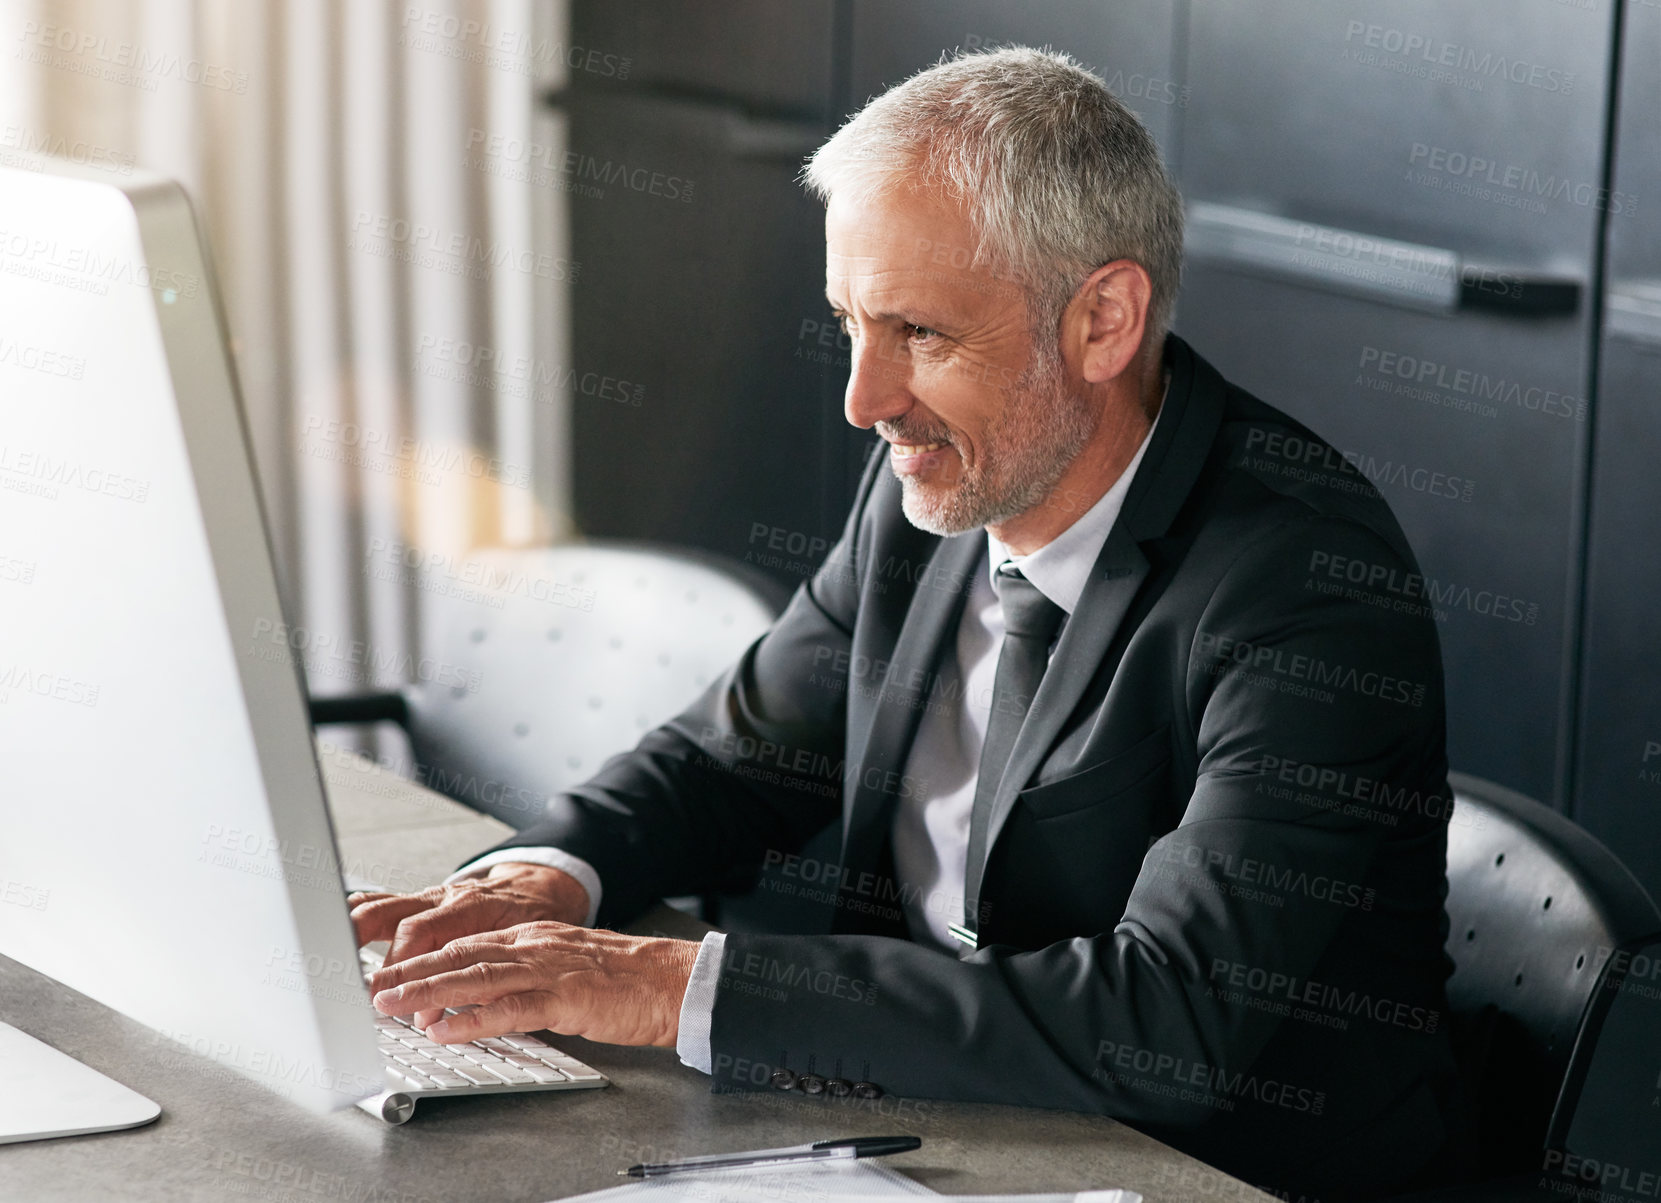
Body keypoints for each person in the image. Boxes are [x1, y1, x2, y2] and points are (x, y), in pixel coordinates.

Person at [351, 47, 1464, 1200]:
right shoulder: (934, 477)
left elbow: (1166, 1021)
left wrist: (661, 986)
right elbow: (734, 754)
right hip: (926, 1122)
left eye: (919, 335)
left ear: (1102, 320)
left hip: (1206, 1171)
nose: (862, 401)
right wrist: (551, 878)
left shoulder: (1307, 588)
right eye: (848, 323)